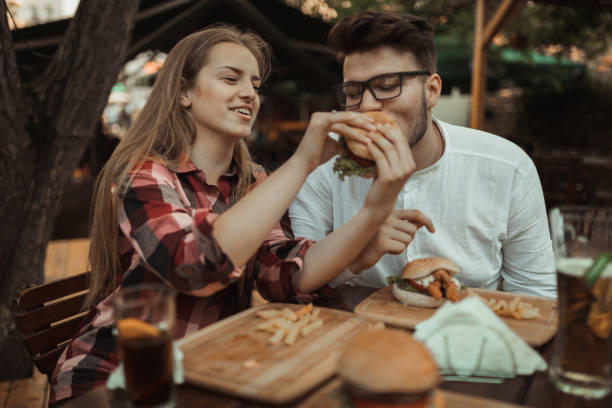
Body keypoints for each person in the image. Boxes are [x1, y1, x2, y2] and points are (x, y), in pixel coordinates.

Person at [49, 24, 415, 404]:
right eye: (230, 78)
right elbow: (195, 268)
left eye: (255, 85)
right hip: (114, 380)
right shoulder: (142, 174)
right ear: (183, 92)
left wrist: (373, 212)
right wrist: (303, 162)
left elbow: (283, 275)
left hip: (206, 374)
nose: (249, 94)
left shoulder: (252, 183)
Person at [289, 10, 556, 298]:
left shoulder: (507, 167)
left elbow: (537, 294)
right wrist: (354, 253)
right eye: (353, 93)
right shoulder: (322, 165)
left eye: (387, 86)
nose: (366, 106)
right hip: (354, 335)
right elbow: (293, 283)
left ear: (431, 91)